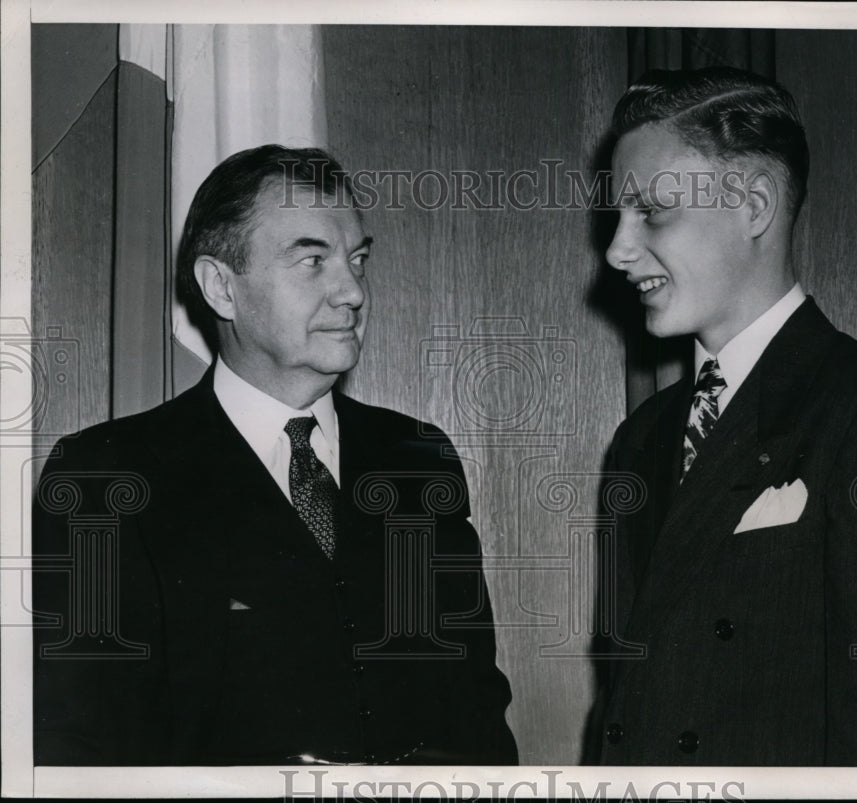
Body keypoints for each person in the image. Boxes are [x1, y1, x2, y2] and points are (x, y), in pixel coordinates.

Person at [33, 145, 518, 766]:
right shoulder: (106, 474)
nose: (351, 291)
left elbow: (478, 710)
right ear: (222, 288)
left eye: (357, 260)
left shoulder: (417, 459)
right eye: (312, 260)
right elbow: (77, 744)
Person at [589, 67, 857, 766]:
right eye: (617, 214)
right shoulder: (639, 439)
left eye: (652, 211)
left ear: (754, 205)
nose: (617, 248)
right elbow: (623, 701)